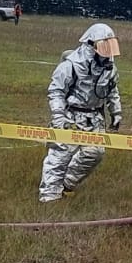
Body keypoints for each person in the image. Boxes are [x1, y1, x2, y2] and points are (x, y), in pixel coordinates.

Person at [39, 23, 123, 202]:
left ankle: (66, 184)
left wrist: (116, 113)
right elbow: (56, 92)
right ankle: (49, 199)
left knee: (95, 153)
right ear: (91, 45)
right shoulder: (71, 65)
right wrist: (59, 117)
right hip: (71, 116)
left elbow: (112, 91)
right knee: (59, 157)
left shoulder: (110, 68)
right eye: (104, 47)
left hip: (95, 119)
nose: (107, 52)